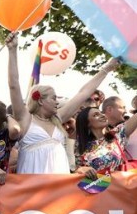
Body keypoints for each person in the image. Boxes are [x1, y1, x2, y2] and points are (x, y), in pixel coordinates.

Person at [7, 34, 120, 174]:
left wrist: (106, 69)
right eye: (53, 98)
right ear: (41, 100)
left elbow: (83, 93)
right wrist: (12, 50)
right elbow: (14, 85)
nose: (57, 101)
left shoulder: (58, 119)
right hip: (32, 183)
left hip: (60, 182)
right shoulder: (25, 118)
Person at [74, 107, 137, 178]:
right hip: (97, 187)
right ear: (87, 123)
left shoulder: (116, 135)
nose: (102, 115)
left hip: (121, 185)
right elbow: (75, 171)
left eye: (101, 113)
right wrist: (82, 169)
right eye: (96, 115)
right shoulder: (81, 147)